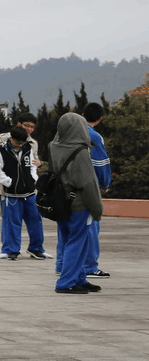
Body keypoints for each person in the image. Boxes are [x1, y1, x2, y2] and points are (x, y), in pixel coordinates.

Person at [49, 112, 105, 294]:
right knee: (78, 242)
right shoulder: (80, 152)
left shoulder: (54, 147)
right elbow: (89, 184)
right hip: (79, 204)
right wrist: (97, 209)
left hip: (61, 202)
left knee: (67, 240)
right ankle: (66, 282)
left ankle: (79, 277)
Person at [0, 113, 47, 260]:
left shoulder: (32, 143)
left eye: (32, 127)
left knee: (35, 218)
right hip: (8, 188)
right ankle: (9, 249)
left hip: (28, 187)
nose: (29, 129)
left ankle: (36, 248)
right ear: (18, 124)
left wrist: (38, 170)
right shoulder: (4, 139)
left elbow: (34, 162)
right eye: (26, 125)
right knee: (10, 220)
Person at [82, 103, 111, 280]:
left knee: (69, 227)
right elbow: (101, 163)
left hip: (66, 187)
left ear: (82, 114)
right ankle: (89, 266)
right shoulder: (93, 136)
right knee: (91, 226)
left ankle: (63, 264)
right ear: (100, 119)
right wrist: (105, 183)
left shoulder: (64, 135)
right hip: (89, 188)